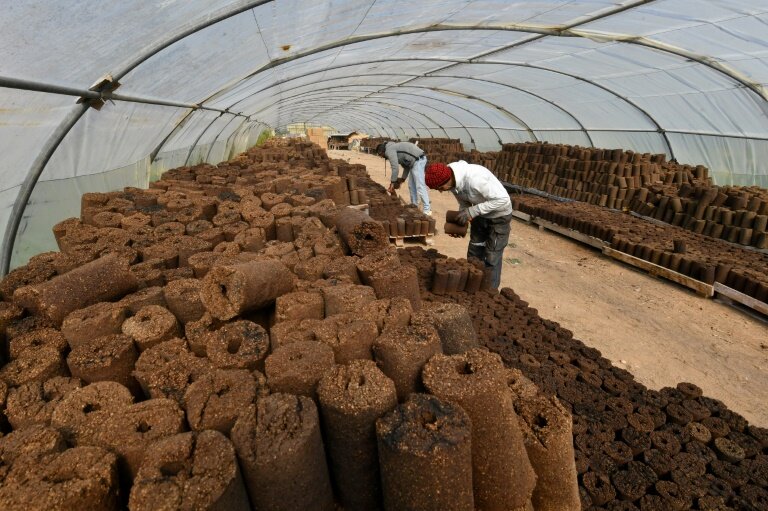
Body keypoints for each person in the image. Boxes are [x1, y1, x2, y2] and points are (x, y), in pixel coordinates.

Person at [424, 160, 513, 289]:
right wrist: (462, 222)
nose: (440, 191)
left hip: (498, 216)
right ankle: (473, 287)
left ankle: (490, 291)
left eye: (440, 188)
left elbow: (503, 200)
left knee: (492, 257)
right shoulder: (453, 183)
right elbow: (464, 203)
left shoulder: (475, 179)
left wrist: (472, 211)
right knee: (474, 251)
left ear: (447, 180)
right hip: (479, 214)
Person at [376, 141, 431, 215]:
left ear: (382, 151)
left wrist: (392, 183)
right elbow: (406, 166)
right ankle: (414, 205)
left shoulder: (389, 151)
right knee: (411, 185)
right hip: (413, 162)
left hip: (418, 160)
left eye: (380, 154)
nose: (381, 157)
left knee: (419, 185)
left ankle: (427, 209)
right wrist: (402, 179)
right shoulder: (394, 150)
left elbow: (395, 168)